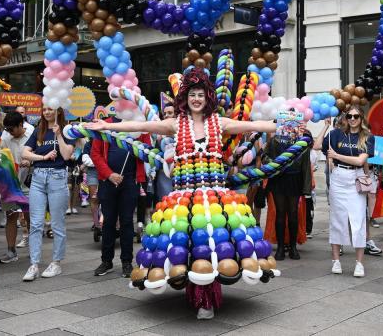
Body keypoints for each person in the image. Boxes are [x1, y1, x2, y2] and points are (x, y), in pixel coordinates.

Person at [84, 69, 278, 320]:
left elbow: (255, 124)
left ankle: (206, 298)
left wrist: (283, 124)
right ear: (185, 97)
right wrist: (106, 126)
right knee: (184, 245)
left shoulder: (220, 123)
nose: (196, 99)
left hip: (217, 198)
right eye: (192, 95)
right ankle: (192, 290)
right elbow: (141, 124)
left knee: (213, 245)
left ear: (207, 97)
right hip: (184, 198)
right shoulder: (176, 124)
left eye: (201, 95)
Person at [20, 107, 75, 281]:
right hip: (38, 177)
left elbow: (66, 155)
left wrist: (59, 135)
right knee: (35, 224)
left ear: (59, 110)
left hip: (58, 177)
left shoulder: (67, 130)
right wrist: (42, 158)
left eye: (51, 109)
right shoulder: (39, 130)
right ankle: (34, 264)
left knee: (57, 224)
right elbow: (24, 153)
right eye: (45, 109)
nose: (47, 112)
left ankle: (56, 263)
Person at [90, 115, 149, 277]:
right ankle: (106, 261)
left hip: (130, 181)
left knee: (127, 222)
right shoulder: (105, 124)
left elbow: (147, 152)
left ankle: (127, 262)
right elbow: (95, 154)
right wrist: (109, 174)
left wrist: (142, 146)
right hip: (107, 181)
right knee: (108, 221)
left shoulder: (139, 124)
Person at [320, 105, 375, 278]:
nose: (352, 119)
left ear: (361, 118)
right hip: (338, 177)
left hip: (356, 177)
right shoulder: (336, 133)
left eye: (356, 116)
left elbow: (360, 161)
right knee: (337, 218)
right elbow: (316, 146)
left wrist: (336, 156)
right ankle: (335, 260)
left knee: (358, 219)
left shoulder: (367, 137)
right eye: (349, 116)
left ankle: (359, 263)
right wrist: (324, 126)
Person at [265, 124, 312, 261]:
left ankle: (293, 247)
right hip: (278, 179)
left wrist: (306, 187)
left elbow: (306, 165)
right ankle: (280, 247)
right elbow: (265, 156)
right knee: (280, 212)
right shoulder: (274, 140)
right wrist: (273, 163)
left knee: (293, 213)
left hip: (294, 178)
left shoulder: (302, 141)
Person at [0, 111, 31, 264]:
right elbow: (1, 156)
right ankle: (11, 251)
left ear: (21, 125)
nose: (9, 132)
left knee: (32, 216)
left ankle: (33, 249)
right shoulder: (5, 137)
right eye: (7, 129)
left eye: (12, 129)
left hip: (29, 181)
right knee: (11, 216)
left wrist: (30, 161)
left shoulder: (32, 133)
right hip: (11, 182)